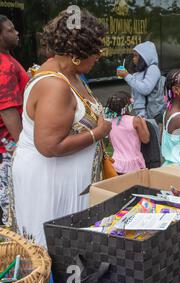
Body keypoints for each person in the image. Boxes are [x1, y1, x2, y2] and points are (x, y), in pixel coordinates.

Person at [11, 10, 111, 246]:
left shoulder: (69, 74)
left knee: (69, 249)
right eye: (96, 50)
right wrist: (98, 133)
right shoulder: (55, 85)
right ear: (78, 53)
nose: (99, 56)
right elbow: (49, 145)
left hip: (66, 178)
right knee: (53, 249)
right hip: (50, 183)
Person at [0, 15, 28, 227]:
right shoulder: (4, 67)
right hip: (9, 153)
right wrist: (24, 148)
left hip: (9, 151)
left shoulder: (9, 60)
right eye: (10, 30)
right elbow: (8, 110)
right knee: (11, 214)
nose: (16, 32)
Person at [116, 41, 164, 123]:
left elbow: (145, 89)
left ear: (145, 57)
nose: (133, 58)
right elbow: (137, 92)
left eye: (136, 56)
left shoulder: (153, 69)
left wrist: (127, 76)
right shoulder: (139, 72)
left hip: (151, 115)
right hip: (141, 114)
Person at [105, 91, 150, 174]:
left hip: (116, 163)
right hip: (134, 165)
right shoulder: (136, 120)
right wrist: (142, 121)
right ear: (129, 105)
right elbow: (146, 139)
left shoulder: (109, 123)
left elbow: (112, 142)